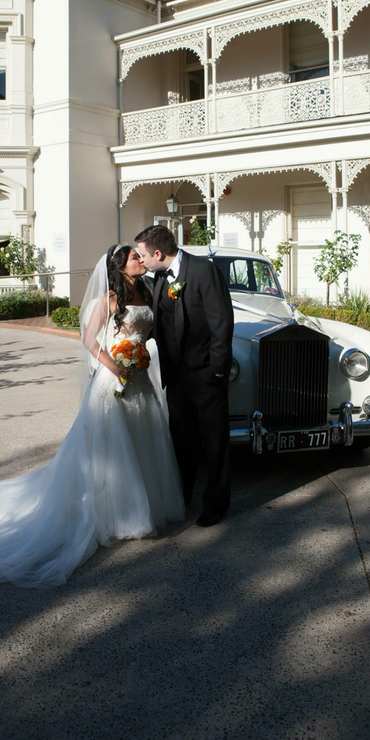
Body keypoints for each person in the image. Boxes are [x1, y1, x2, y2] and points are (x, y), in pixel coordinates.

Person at [0, 245, 185, 588]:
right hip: (115, 379)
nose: (140, 259)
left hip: (138, 379)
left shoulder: (146, 289)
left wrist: (138, 358)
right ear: (120, 267)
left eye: (140, 256)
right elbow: (91, 341)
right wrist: (116, 367)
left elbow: (146, 331)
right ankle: (117, 515)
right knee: (109, 449)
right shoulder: (109, 298)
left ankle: (141, 506)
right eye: (134, 257)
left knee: (141, 442)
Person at [135, 225, 234, 528]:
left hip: (205, 374)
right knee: (181, 440)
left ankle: (216, 504)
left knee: (214, 442)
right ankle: (182, 497)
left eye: (142, 255)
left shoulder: (204, 272)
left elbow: (222, 323)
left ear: (158, 253)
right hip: (175, 377)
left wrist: (216, 370)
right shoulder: (158, 277)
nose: (141, 261)